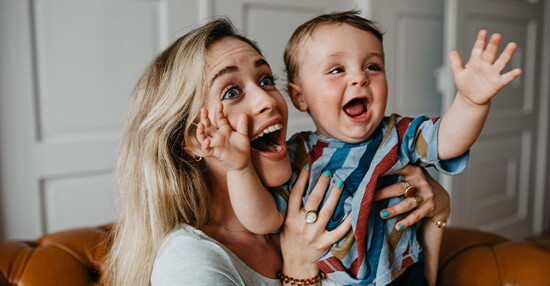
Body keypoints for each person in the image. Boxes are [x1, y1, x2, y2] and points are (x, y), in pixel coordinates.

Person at [104, 18, 452, 286]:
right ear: (194, 140)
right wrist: (299, 270)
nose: (268, 100)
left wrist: (437, 212)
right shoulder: (191, 261)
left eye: (266, 80)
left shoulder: (310, 197)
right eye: (231, 92)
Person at [197, 11, 521, 286]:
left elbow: (448, 141)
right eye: (337, 70)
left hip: (404, 273)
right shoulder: (296, 155)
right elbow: (263, 220)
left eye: (373, 67)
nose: (359, 78)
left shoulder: (398, 133)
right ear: (299, 97)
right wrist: (240, 169)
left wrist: (470, 101)